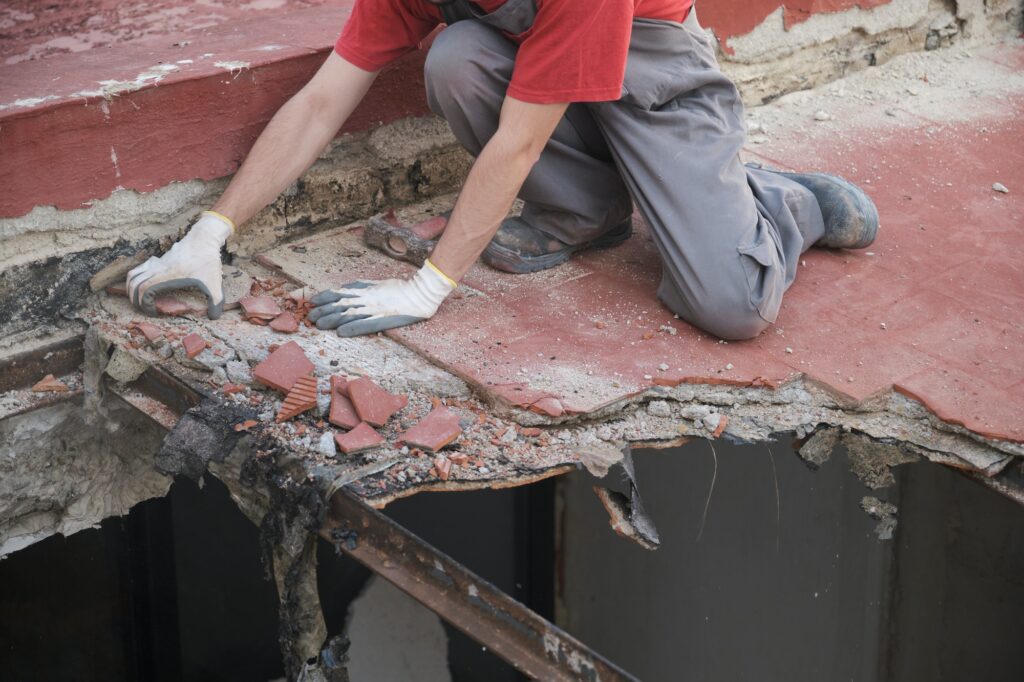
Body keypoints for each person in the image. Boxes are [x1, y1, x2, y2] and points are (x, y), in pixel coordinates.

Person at [126, 0, 877, 341]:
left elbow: (516, 146)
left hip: (653, 65)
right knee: (458, 58)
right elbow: (323, 101)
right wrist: (210, 234)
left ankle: (777, 203)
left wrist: (428, 290)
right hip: (543, 68)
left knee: (731, 306)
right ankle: (587, 212)